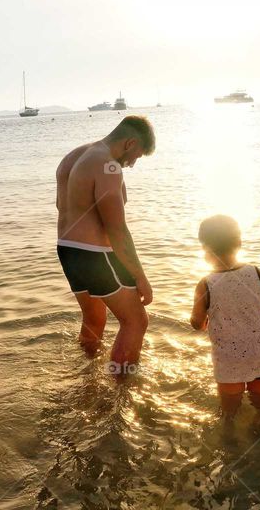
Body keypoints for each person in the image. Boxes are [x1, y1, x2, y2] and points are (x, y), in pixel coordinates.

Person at [55, 116, 156, 375]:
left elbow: (61, 206)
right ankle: (121, 391)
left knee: (94, 319)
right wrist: (140, 276)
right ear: (130, 142)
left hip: (67, 249)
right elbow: (117, 228)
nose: (132, 164)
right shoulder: (108, 165)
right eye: (137, 156)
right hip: (94, 255)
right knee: (136, 321)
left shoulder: (73, 157)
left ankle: (87, 378)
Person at [190, 215, 260, 417]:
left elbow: (196, 322)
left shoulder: (206, 284)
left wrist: (204, 324)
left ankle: (229, 440)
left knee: (229, 412)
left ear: (205, 250)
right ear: (240, 243)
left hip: (228, 360)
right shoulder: (258, 274)